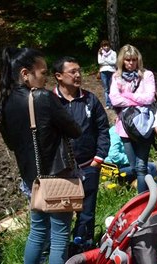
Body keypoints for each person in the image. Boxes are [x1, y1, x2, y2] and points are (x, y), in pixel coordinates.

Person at [0, 47, 82, 264]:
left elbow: (11, 143)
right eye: (43, 73)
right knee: (58, 239)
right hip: (55, 179)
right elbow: (75, 129)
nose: (46, 79)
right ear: (25, 74)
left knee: (37, 234)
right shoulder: (43, 98)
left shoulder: (4, 104)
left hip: (30, 180)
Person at [52, 56, 110, 247]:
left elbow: (102, 128)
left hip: (89, 165)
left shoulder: (89, 99)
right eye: (73, 72)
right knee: (62, 211)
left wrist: (99, 157)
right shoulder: (50, 102)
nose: (78, 75)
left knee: (87, 211)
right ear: (59, 76)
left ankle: (84, 245)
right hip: (61, 170)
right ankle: (59, 249)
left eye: (79, 71)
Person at [109, 44, 156, 194]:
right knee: (134, 166)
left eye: (134, 60)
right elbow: (114, 100)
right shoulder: (116, 77)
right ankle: (148, 190)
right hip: (125, 127)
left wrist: (127, 96)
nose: (131, 63)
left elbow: (149, 98)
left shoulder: (147, 75)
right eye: (127, 60)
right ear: (122, 60)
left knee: (142, 166)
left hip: (144, 126)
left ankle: (142, 199)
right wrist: (137, 100)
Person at [97, 40, 116, 109]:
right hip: (103, 71)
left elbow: (114, 62)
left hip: (112, 71)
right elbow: (99, 62)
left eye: (107, 45)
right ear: (102, 47)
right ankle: (108, 104)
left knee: (112, 88)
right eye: (104, 46)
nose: (106, 47)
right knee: (106, 89)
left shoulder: (113, 53)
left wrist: (105, 60)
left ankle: (113, 103)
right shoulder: (100, 53)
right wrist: (108, 62)